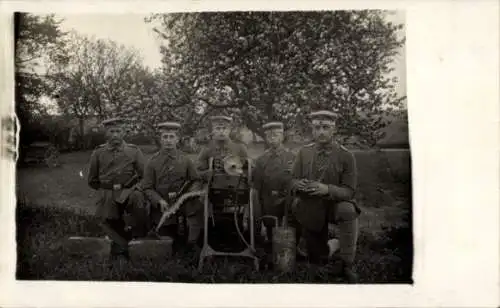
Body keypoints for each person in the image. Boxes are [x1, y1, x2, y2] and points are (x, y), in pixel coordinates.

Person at [289, 110, 361, 283]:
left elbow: (350, 191)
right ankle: (327, 249)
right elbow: (291, 180)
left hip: (334, 204)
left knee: (348, 210)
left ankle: (347, 264)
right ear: (312, 130)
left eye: (326, 127)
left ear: (333, 129)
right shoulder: (303, 153)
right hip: (310, 204)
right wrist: (297, 184)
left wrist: (327, 189)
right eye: (317, 128)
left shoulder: (346, 156)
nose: (321, 132)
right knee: (318, 261)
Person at [87, 117, 146, 261]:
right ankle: (124, 247)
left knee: (138, 201)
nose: (115, 135)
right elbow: (92, 180)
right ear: (106, 133)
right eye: (111, 131)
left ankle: (138, 239)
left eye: (118, 131)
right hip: (107, 192)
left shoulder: (134, 151)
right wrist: (105, 191)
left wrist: (133, 189)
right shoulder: (98, 153)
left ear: (123, 132)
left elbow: (144, 176)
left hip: (128, 191)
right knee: (104, 221)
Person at [141, 121, 203, 252]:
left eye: (171, 137)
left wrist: (188, 195)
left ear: (177, 139)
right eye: (165, 137)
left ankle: (192, 243)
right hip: (163, 206)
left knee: (195, 210)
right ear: (160, 139)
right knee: (167, 240)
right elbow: (147, 187)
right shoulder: (152, 162)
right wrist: (158, 200)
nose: (168, 140)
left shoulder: (185, 160)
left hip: (183, 203)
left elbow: (196, 180)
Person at [252, 121, 295, 241]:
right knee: (271, 226)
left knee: (291, 224)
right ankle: (270, 238)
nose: (272, 138)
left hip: (288, 198)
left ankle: (293, 241)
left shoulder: (292, 157)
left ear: (282, 136)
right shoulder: (261, 160)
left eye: (275, 135)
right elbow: (257, 185)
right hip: (269, 198)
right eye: (269, 136)